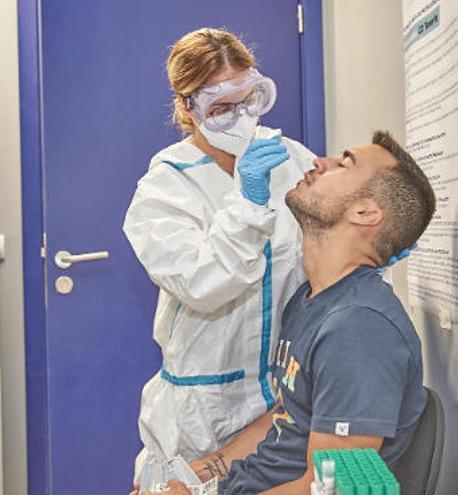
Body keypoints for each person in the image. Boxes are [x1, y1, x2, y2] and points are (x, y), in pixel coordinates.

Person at [137, 130, 437, 495]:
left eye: (342, 164)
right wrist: (200, 472)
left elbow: (336, 489)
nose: (318, 162)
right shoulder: (310, 300)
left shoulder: (359, 331)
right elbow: (285, 417)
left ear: (365, 213)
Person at [123, 28, 315, 473]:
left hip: (282, 396)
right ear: (188, 106)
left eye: (250, 99)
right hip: (201, 408)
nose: (243, 118)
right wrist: (247, 203)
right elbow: (201, 283)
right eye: (222, 108)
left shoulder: (289, 157)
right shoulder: (166, 186)